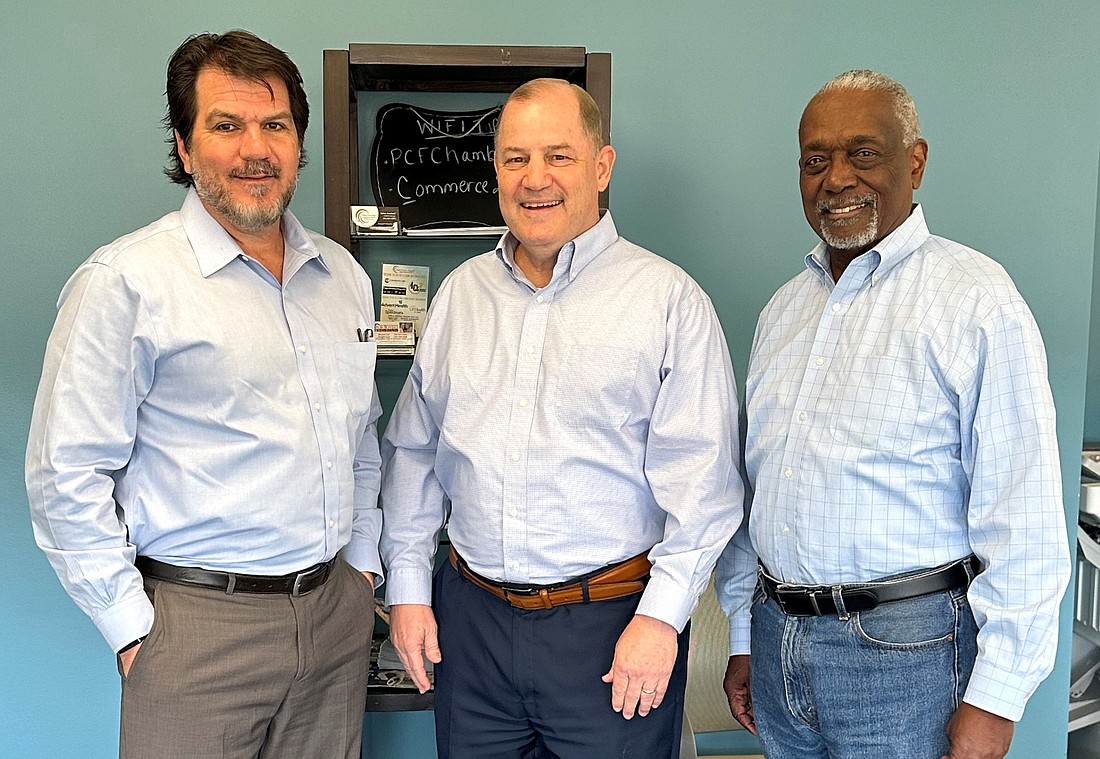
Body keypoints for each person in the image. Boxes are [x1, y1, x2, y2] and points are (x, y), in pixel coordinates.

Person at [25, 30, 382, 759]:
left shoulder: (342, 277)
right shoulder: (126, 281)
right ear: (186, 149)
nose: (256, 149)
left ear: (299, 141)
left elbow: (361, 441)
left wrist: (364, 567)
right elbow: (64, 473)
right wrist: (131, 630)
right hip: (193, 630)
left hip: (333, 622)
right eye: (227, 125)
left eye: (275, 125)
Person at [379, 78, 743, 758]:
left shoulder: (668, 302)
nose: (534, 178)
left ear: (601, 166)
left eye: (558, 156)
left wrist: (661, 619)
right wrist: (406, 588)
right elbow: (415, 455)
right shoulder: (460, 296)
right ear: (495, 171)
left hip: (610, 632)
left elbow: (706, 490)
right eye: (515, 158)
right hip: (472, 625)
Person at [716, 69, 1070, 759]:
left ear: (915, 160)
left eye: (862, 153)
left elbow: (1022, 512)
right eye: (815, 160)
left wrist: (996, 697)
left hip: (907, 656)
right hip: (777, 639)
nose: (836, 178)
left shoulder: (975, 300)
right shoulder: (783, 311)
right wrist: (742, 634)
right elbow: (752, 490)